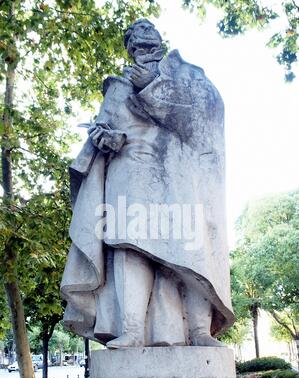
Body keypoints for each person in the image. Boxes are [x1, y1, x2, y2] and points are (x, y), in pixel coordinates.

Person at [61, 19, 234, 348]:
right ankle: (133, 331)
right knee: (130, 249)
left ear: (159, 40)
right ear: (129, 48)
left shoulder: (187, 76)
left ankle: (198, 331)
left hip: (181, 175)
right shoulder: (116, 87)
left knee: (189, 250)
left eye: (147, 38)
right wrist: (104, 139)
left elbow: (205, 118)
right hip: (130, 173)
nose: (141, 45)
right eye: (134, 42)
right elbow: (103, 131)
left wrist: (153, 85)